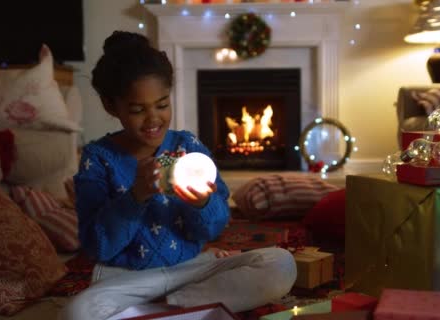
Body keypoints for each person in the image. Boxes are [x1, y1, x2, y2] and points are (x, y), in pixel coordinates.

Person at [60, 31, 296, 320]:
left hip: (193, 271)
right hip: (126, 279)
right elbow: (98, 246)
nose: (153, 119)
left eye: (162, 105)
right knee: (77, 313)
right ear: (112, 106)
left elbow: (214, 229)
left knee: (281, 264)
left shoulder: (187, 146)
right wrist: (135, 197)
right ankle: (191, 314)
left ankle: (169, 310)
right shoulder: (97, 159)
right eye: (137, 110)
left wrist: (202, 204)